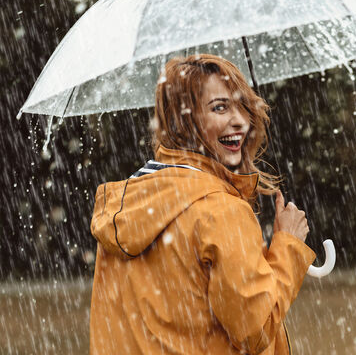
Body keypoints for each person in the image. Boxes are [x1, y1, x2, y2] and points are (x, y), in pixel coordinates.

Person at [89, 54, 316, 354]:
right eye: (219, 107)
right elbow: (254, 330)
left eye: (242, 106)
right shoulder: (220, 212)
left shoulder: (130, 203)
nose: (239, 120)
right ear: (184, 121)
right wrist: (288, 248)